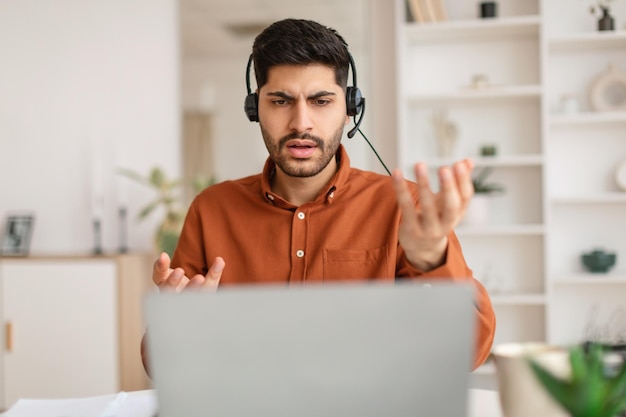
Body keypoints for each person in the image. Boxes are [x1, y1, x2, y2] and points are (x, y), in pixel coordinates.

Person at [141, 18, 495, 373]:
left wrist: (433, 262)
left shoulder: (406, 208)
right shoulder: (212, 209)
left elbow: (468, 352)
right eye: (280, 101)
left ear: (349, 109)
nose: (301, 123)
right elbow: (164, 369)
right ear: (255, 109)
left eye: (321, 101)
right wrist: (176, 323)